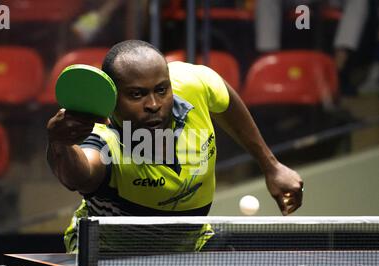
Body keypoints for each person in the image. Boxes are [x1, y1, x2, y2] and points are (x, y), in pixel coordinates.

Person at [46, 40, 304, 253]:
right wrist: (60, 145)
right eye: (136, 94)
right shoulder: (107, 141)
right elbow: (78, 174)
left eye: (161, 90)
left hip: (190, 243)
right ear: (113, 99)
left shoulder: (192, 84)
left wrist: (271, 165)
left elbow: (224, 98)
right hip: (110, 254)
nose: (154, 104)